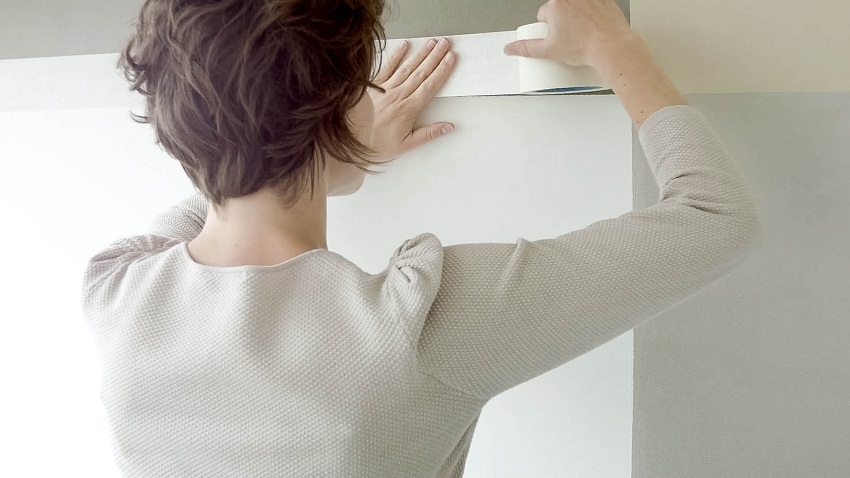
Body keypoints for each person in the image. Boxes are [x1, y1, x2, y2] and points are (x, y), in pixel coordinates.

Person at [81, 0, 762, 476]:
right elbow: (715, 215)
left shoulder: (118, 296)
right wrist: (611, 42)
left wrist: (327, 147)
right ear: (335, 109)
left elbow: (225, 193)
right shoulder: (415, 325)